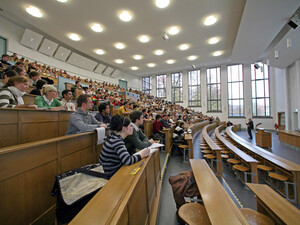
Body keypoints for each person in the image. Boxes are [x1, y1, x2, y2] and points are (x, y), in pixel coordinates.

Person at [99, 114, 150, 179]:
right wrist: (142, 154)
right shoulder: (117, 141)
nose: (133, 127)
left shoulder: (114, 137)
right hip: (110, 174)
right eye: (130, 125)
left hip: (110, 170)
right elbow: (128, 160)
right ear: (124, 128)